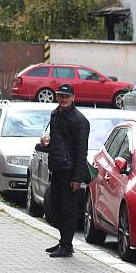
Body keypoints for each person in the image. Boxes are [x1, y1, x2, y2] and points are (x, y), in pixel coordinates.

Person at [41, 84, 90, 258]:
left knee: (68, 210)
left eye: (66, 96)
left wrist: (77, 178)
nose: (63, 99)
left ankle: (67, 246)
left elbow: (81, 151)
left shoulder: (80, 121)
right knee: (55, 207)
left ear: (73, 97)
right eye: (60, 96)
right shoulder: (55, 114)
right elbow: (56, 142)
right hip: (57, 168)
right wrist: (46, 144)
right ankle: (62, 241)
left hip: (70, 171)